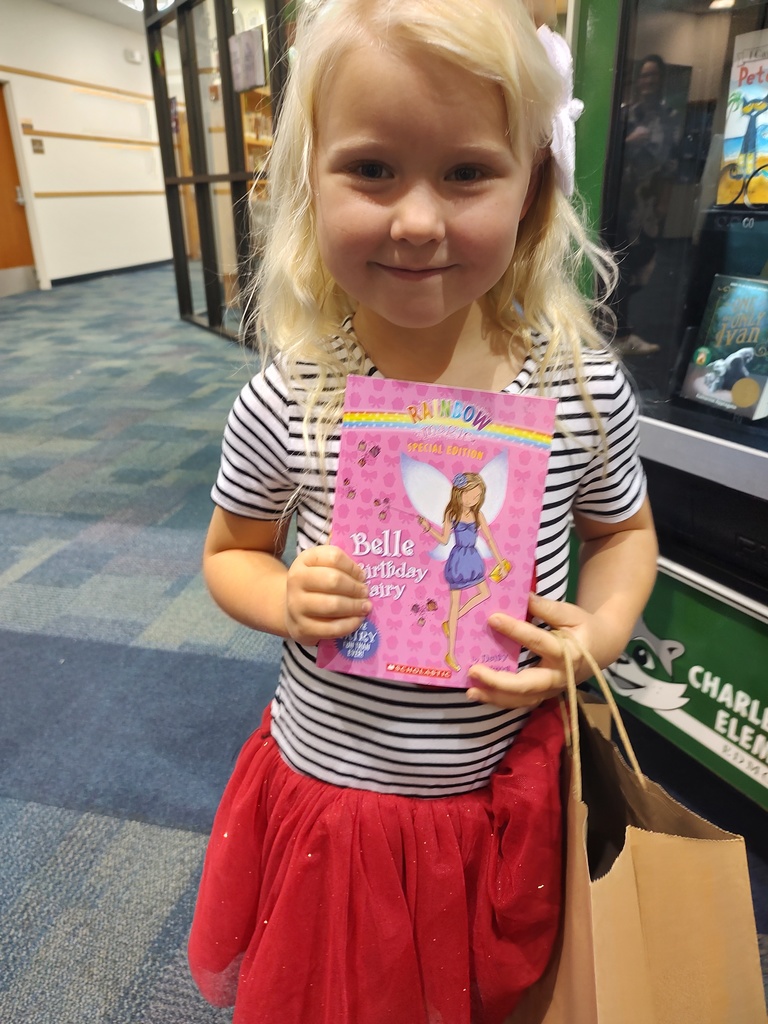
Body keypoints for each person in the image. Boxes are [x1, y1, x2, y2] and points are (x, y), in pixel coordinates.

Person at [188, 2, 658, 1023]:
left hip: (502, 796)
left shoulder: (576, 392)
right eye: (371, 169)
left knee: (480, 994)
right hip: (339, 803)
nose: (416, 219)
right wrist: (282, 594)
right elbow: (231, 551)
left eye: (465, 172)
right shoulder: (293, 395)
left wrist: (607, 626)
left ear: (534, 186)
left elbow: (622, 534)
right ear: (310, 181)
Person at [611, 54, 681, 357]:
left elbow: (672, 164)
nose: (648, 81)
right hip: (623, 202)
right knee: (621, 266)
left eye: (653, 76)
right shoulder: (626, 114)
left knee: (645, 268)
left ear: (661, 80)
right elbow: (610, 152)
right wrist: (630, 142)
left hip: (650, 203)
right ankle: (620, 333)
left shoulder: (670, 117)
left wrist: (664, 203)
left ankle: (620, 328)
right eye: (644, 75)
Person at [418, 472, 509, 673]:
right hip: (459, 559)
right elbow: (443, 540)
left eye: (477, 497)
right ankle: (450, 653)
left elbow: (490, 538)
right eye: (471, 496)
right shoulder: (452, 514)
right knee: (454, 603)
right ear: (460, 493)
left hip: (473, 558)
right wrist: (427, 529)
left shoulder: (478, 515)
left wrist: (500, 561)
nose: (474, 500)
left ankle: (452, 620)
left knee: (485, 593)